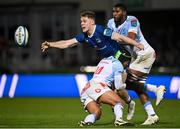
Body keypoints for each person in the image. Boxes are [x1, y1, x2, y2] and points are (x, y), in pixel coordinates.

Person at [41, 10, 140, 122]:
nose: (82, 23)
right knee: (116, 94)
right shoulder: (84, 36)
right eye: (81, 21)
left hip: (120, 59)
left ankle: (129, 104)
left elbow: (119, 37)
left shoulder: (101, 30)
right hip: (107, 63)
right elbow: (67, 43)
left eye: (84, 21)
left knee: (119, 88)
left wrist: (136, 44)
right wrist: (50, 44)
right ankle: (121, 111)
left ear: (92, 21)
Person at [107, 3, 165, 125]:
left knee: (122, 84)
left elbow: (130, 38)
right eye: (113, 11)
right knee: (133, 86)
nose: (115, 14)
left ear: (124, 12)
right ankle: (152, 115)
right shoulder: (110, 23)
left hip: (145, 54)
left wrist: (115, 39)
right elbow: (110, 40)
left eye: (117, 11)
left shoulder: (132, 20)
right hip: (134, 58)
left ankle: (156, 89)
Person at [79, 56, 133, 126]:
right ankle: (119, 120)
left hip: (87, 88)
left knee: (96, 113)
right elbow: (118, 87)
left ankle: (86, 122)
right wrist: (128, 99)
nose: (128, 64)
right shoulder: (118, 64)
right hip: (98, 86)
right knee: (119, 102)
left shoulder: (104, 60)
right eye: (128, 62)